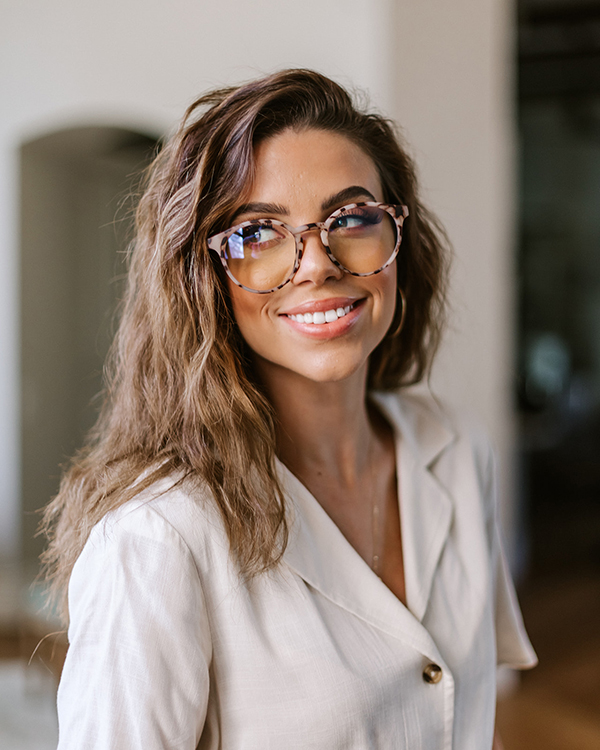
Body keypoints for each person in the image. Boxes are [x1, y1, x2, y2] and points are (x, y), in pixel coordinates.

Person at [43, 69, 536, 749]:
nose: (316, 265)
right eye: (257, 234)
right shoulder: (158, 538)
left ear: (400, 240)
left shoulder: (453, 447)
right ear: (203, 278)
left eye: (353, 219)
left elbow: (465, 710)